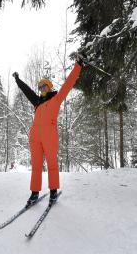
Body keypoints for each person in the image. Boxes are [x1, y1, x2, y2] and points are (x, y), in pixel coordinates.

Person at [13, 54, 84, 206]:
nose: (41, 88)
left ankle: (53, 191)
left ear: (49, 86)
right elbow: (27, 91)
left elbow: (68, 84)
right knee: (36, 166)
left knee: (52, 164)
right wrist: (18, 80)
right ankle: (34, 193)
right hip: (35, 137)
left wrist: (78, 65)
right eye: (40, 87)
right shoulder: (37, 102)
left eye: (44, 86)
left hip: (49, 137)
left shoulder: (56, 99)